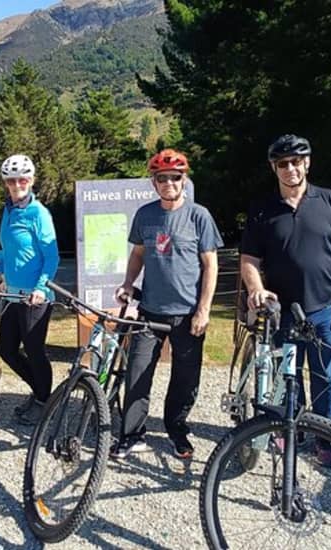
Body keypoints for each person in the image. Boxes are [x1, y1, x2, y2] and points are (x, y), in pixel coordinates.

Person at [110, 149, 223, 459]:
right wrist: (127, 283)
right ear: (154, 182)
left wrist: (204, 309)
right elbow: (138, 254)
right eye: (162, 178)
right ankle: (132, 435)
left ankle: (177, 430)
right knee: (137, 373)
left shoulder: (199, 215)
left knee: (185, 380)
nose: (169, 182)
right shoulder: (145, 215)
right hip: (150, 310)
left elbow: (211, 265)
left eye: (175, 177)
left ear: (183, 180)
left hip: (188, 315)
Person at [240, 134, 331, 467]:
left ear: (307, 162)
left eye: (296, 161)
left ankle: (326, 438)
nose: (290, 168)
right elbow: (249, 261)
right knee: (289, 374)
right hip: (281, 310)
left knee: (325, 375)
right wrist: (256, 288)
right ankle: (291, 430)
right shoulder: (262, 210)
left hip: (325, 307)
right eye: (282, 163)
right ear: (274, 168)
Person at [0, 154, 59, 425]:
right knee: (6, 349)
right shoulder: (9, 210)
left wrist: (41, 287)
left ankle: (43, 400)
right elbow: (12, 249)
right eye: (11, 180)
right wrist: (0, 270)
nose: (17, 184)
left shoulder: (38, 213)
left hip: (35, 296)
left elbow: (51, 256)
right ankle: (42, 392)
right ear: (6, 183)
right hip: (11, 294)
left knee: (34, 349)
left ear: (31, 181)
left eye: (22, 179)